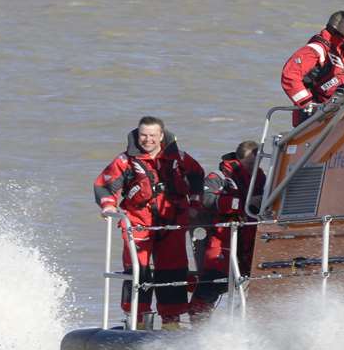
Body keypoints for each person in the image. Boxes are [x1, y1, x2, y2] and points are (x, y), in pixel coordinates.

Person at [93, 116, 206, 328]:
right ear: (138, 135)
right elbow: (104, 185)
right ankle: (138, 320)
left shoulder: (179, 158)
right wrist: (108, 206)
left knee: (173, 271)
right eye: (143, 135)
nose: (148, 140)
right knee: (138, 270)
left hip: (171, 224)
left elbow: (197, 178)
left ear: (161, 136)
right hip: (138, 223)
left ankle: (171, 322)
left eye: (153, 135)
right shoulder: (125, 161)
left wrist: (195, 206)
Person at [197, 139, 264, 315]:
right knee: (209, 286)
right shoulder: (218, 176)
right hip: (223, 239)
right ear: (239, 159)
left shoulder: (261, 177)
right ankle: (198, 324)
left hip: (249, 239)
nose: (253, 167)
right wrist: (244, 203)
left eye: (257, 162)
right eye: (250, 163)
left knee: (251, 287)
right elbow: (207, 200)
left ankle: (246, 323)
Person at [280, 10, 344, 122]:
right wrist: (308, 104)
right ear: (336, 31)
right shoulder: (316, 50)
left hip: (338, 111)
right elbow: (290, 75)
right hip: (314, 116)